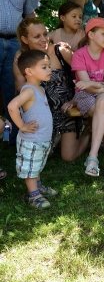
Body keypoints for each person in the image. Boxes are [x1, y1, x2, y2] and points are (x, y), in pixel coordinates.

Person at [14, 18, 88, 162]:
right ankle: (54, 138)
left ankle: (89, 131)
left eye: (45, 34)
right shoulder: (21, 59)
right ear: (24, 39)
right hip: (41, 117)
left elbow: (84, 77)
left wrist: (75, 99)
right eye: (37, 36)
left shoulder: (59, 51)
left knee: (68, 156)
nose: (44, 39)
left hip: (66, 111)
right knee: (41, 157)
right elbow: (20, 88)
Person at [71, 17, 104, 179]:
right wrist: (90, 84)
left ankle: (93, 157)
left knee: (102, 100)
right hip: (85, 96)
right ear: (91, 35)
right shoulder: (79, 55)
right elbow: (85, 87)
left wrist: (89, 82)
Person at [0, 0, 38, 142]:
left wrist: (34, 40)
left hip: (15, 43)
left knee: (14, 89)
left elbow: (30, 14)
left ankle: (15, 136)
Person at [7, 50, 55, 209]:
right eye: (44, 67)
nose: (49, 69)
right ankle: (33, 195)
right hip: (31, 140)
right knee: (30, 168)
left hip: (41, 139)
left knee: (37, 165)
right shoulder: (28, 90)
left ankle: (38, 185)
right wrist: (21, 126)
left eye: (49, 66)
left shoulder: (40, 88)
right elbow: (12, 106)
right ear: (29, 71)